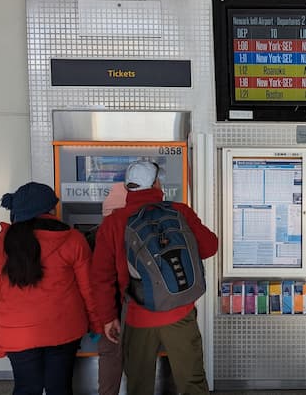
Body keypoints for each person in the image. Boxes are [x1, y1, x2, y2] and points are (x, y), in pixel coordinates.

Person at [91, 161, 218, 395]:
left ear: (128, 189)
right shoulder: (180, 211)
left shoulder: (112, 224)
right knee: (192, 382)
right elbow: (210, 247)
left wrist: (108, 318)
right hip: (180, 312)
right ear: (157, 184)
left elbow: (101, 277)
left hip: (138, 316)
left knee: (139, 385)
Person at [0, 182, 100, 395]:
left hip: (17, 334)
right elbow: (88, 289)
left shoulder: (0, 246)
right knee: (60, 389)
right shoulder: (73, 239)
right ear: (49, 210)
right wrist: (96, 324)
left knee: (26, 389)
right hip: (63, 330)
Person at [95, 182, 127, 395]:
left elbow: (98, 280)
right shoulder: (139, 232)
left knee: (109, 358)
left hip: (109, 314)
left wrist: (105, 317)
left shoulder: (93, 236)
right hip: (137, 310)